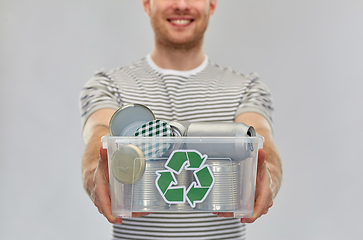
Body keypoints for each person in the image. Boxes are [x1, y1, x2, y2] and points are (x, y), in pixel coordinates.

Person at [79, 0, 282, 239]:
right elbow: (99, 131)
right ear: (147, 4)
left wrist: (270, 173)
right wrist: (93, 170)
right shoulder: (108, 84)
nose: (182, 5)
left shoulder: (247, 87)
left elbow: (259, 134)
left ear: (212, 5)